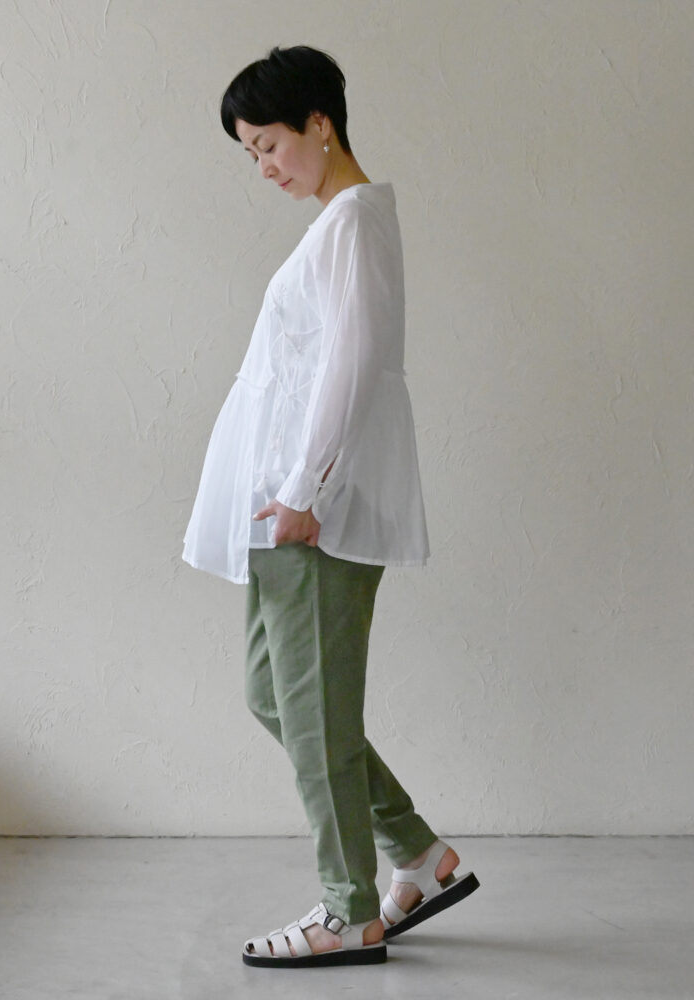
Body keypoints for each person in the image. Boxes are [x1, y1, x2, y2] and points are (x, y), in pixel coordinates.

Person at [183, 45, 479, 968]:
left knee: (310, 708)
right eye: (250, 154)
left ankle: (348, 910)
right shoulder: (337, 225)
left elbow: (352, 362)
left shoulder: (352, 220)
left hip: (312, 508)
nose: (264, 167)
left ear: (320, 123)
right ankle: (419, 856)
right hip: (288, 506)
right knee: (276, 695)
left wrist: (306, 491)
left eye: (269, 143)